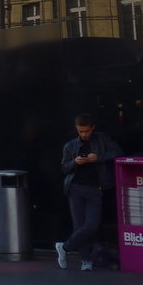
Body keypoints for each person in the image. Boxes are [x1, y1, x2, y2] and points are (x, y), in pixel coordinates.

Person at [56, 114, 123, 271]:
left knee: (91, 225)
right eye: (80, 131)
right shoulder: (70, 146)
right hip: (75, 187)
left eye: (87, 131)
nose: (84, 134)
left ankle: (64, 247)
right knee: (79, 225)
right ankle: (86, 260)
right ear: (76, 130)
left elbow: (118, 152)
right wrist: (75, 162)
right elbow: (64, 167)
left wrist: (98, 157)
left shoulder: (102, 139)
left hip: (95, 187)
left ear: (93, 127)